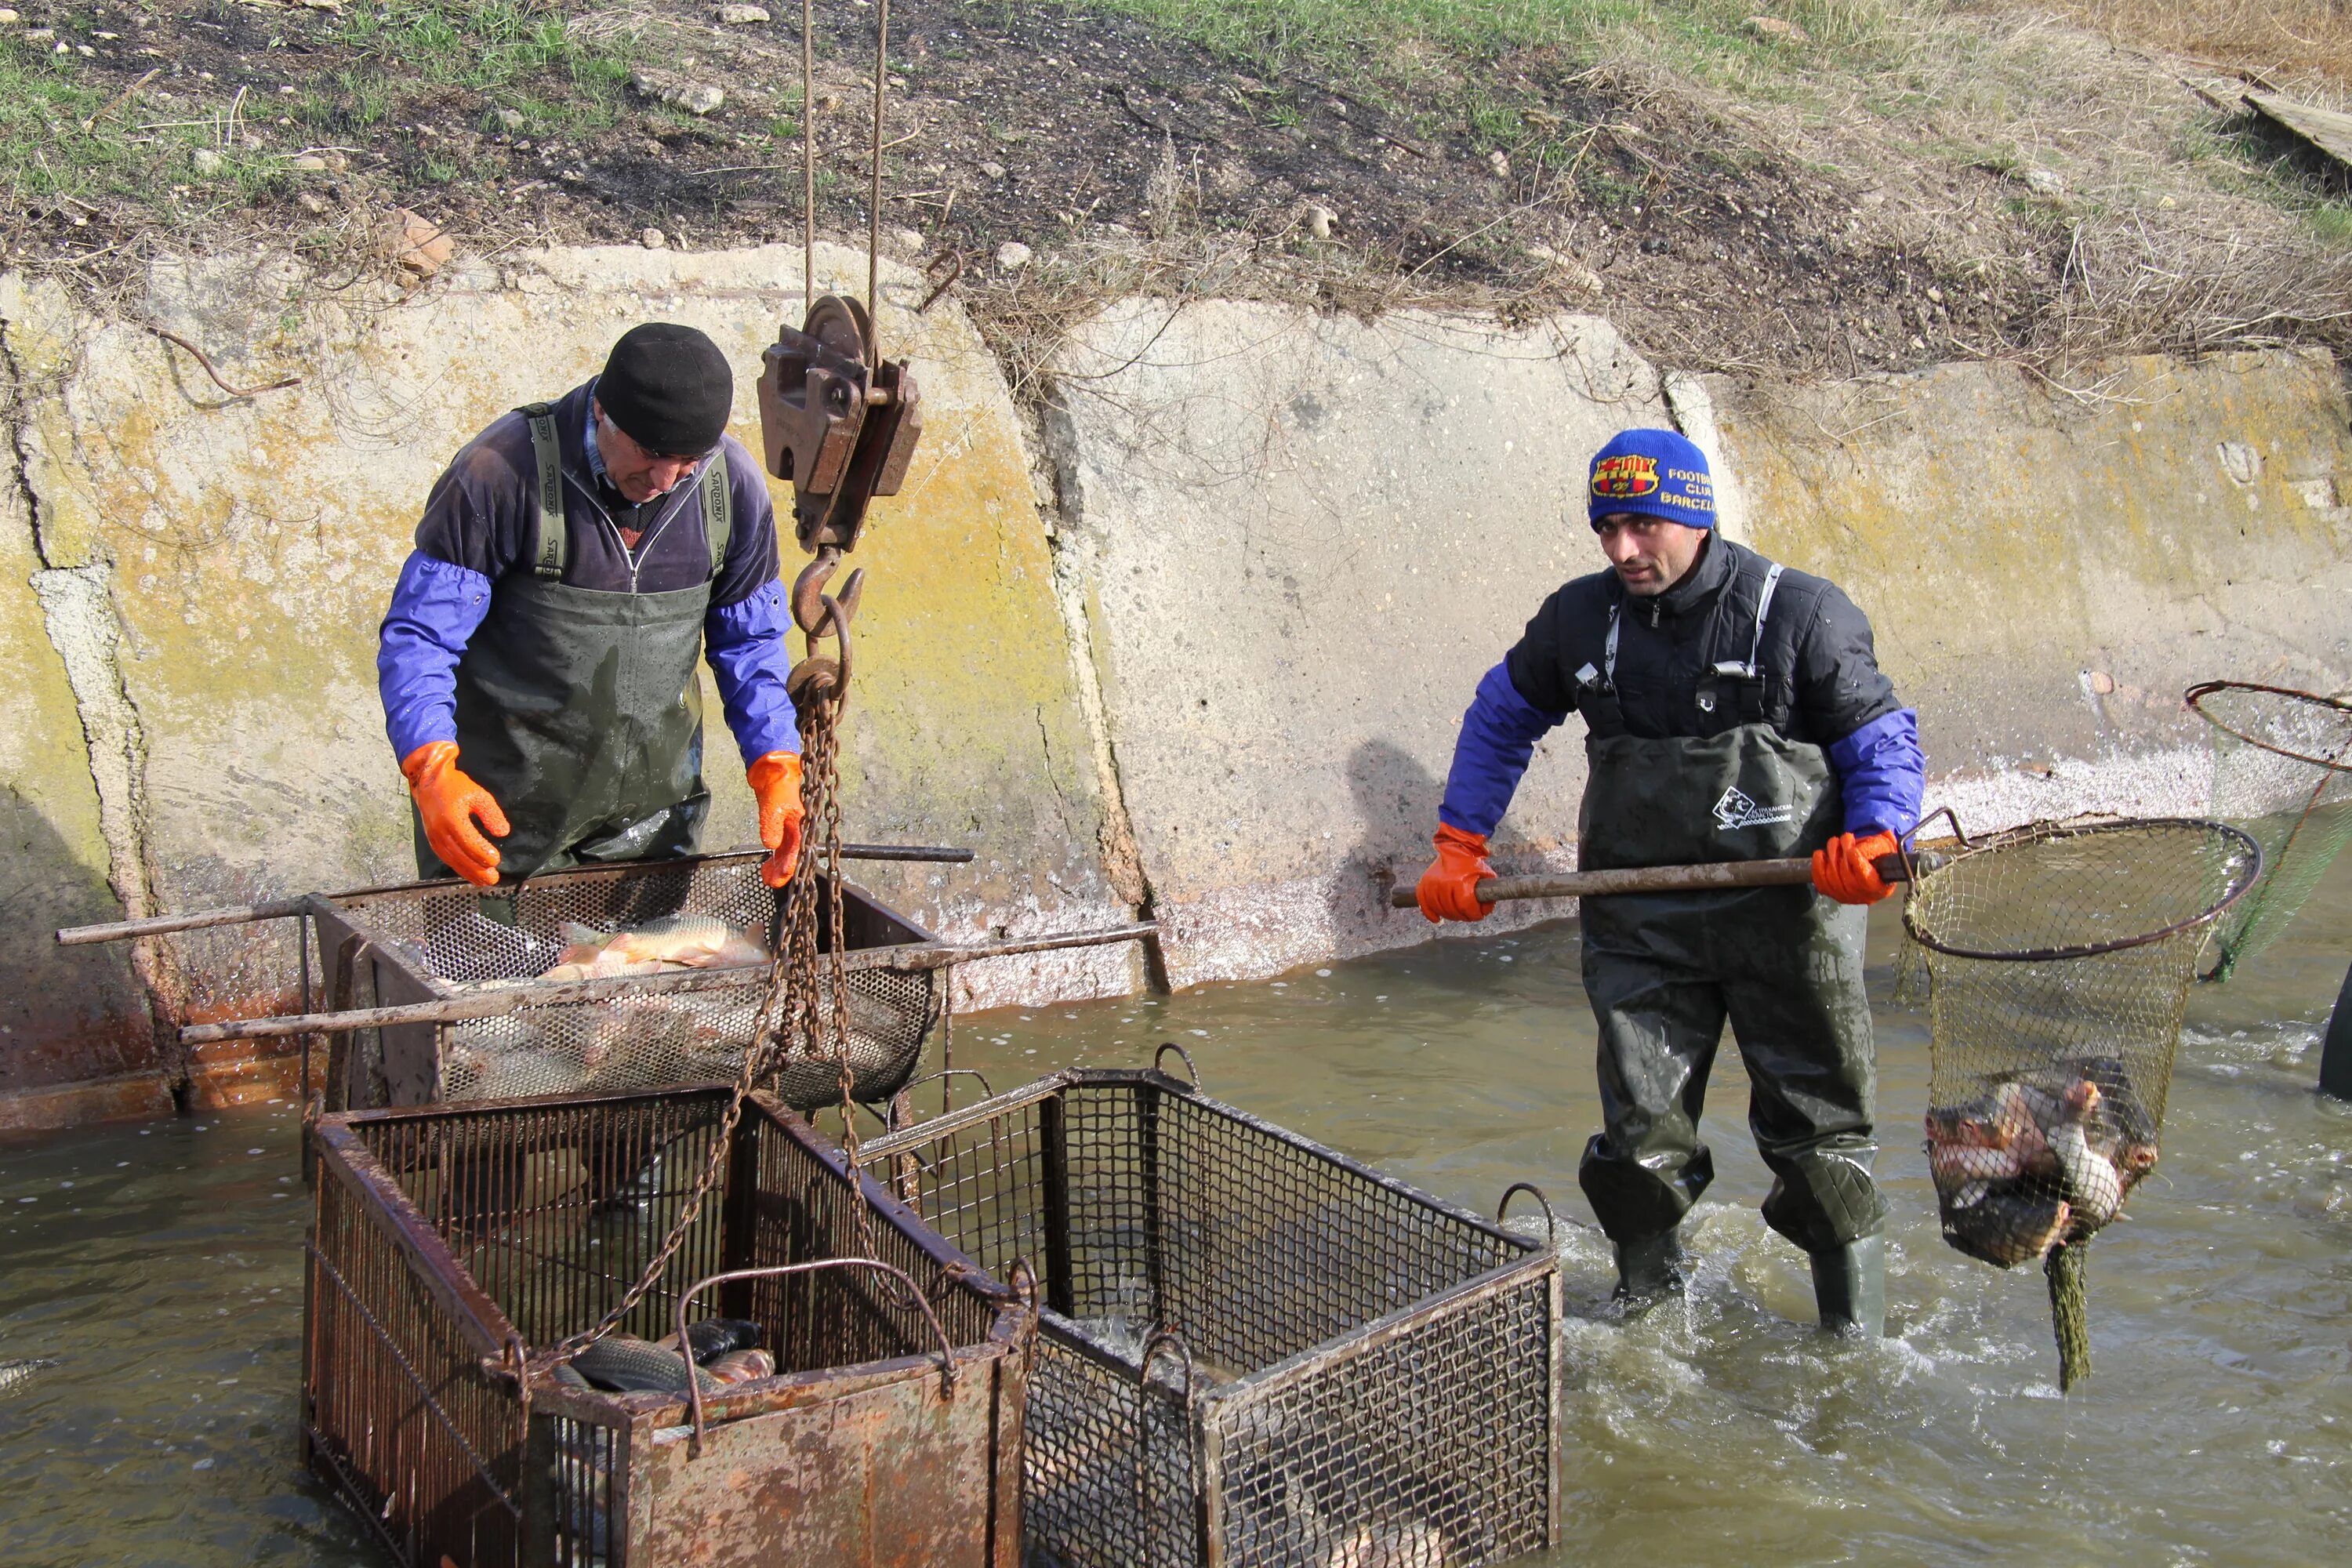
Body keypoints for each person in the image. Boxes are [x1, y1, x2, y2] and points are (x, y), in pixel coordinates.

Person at [1415, 428, 1924, 1335]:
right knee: (1638, 1143)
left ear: (1694, 517)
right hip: (1638, 918)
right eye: (1606, 528)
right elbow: (1502, 716)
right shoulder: (1579, 621)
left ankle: (1857, 1346)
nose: (1622, 550)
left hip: (1789, 919)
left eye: (1642, 526)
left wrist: (1877, 832)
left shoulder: (1801, 613)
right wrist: (1460, 844)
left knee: (1819, 1146)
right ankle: (1649, 1326)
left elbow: (1879, 739)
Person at [378, 322, 805, 897]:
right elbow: (420, 639)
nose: (664, 480)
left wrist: (776, 761)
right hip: (502, 824)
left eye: (688, 460)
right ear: (603, 409)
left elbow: (748, 644)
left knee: (642, 984)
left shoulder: (732, 489)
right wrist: (430, 767)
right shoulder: (500, 473)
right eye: (651, 453)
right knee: (493, 979)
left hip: (650, 831)